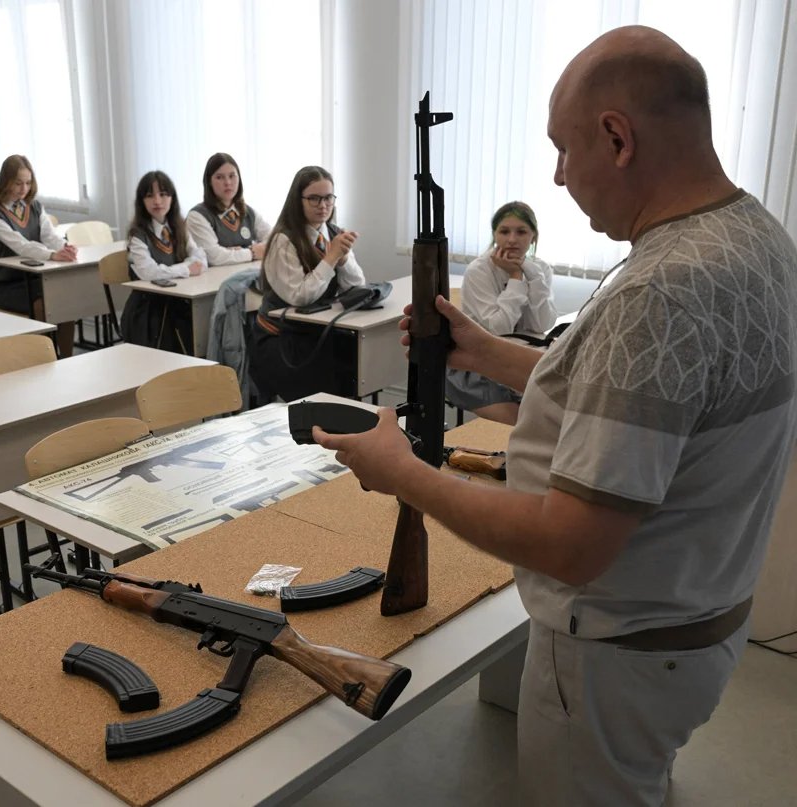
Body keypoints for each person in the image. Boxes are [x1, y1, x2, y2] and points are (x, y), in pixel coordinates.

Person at [315, 26, 797, 807]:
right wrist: (486, 352)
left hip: (615, 657)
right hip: (698, 623)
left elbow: (571, 545)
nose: (558, 175)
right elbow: (644, 398)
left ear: (617, 136)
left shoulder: (660, 290)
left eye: (565, 150)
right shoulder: (754, 239)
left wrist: (407, 471)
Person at [248, 165, 365, 402]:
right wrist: (330, 258)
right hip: (281, 338)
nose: (323, 205)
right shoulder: (284, 239)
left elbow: (357, 286)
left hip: (317, 333)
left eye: (328, 198)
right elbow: (299, 297)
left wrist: (342, 260)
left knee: (352, 368)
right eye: (314, 198)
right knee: (320, 392)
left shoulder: (333, 233)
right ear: (298, 200)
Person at [446, 201, 557, 425]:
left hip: (518, 354)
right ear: (495, 235)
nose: (512, 239)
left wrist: (534, 278)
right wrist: (515, 278)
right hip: (478, 364)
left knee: (549, 413)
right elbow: (498, 331)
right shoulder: (479, 270)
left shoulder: (540, 268)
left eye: (521, 231)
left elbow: (542, 324)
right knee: (522, 424)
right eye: (504, 231)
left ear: (533, 237)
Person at [0, 155, 78, 356]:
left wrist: (65, 247)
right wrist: (53, 255)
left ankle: (66, 357)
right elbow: (20, 245)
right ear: (6, 181)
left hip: (37, 277)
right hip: (10, 284)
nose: (23, 189)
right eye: (18, 183)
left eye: (27, 183)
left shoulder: (34, 206)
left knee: (66, 300)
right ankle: (43, 358)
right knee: (44, 304)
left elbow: (49, 235)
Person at [121, 170, 207, 353]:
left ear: (172, 198)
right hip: (149, 309)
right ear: (141, 201)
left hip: (178, 300)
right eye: (150, 196)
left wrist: (187, 267)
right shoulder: (137, 235)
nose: (157, 201)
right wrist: (186, 269)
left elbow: (200, 258)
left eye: (163, 194)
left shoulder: (179, 226)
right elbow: (149, 272)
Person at [185, 152, 273, 265]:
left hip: (247, 274)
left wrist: (236, 253)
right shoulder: (197, 216)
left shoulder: (248, 212)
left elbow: (273, 241)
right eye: (219, 177)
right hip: (212, 280)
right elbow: (214, 257)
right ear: (209, 182)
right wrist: (252, 252)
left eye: (232, 176)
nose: (227, 182)